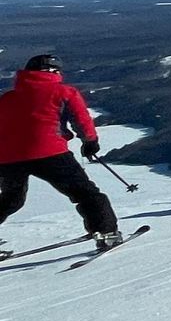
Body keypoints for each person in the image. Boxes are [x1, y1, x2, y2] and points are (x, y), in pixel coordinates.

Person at [0, 55, 124, 249]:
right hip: (51, 153)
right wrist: (90, 142)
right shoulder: (64, 92)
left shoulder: (8, 98)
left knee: (10, 200)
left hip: (8, 158)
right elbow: (81, 119)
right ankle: (106, 233)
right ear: (52, 71)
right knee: (86, 194)